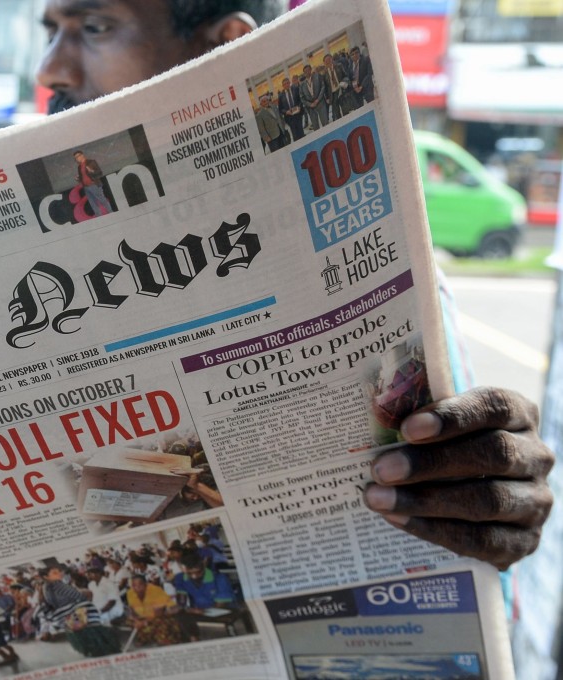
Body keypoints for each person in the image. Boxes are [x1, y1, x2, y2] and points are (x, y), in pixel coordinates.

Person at [36, 0, 554, 572]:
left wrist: (489, 488)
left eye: (93, 27)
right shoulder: (42, 276)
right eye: (50, 31)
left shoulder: (383, 260)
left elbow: (470, 481)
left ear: (224, 45)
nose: (50, 70)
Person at [125, 574, 185, 646]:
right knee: (129, 621)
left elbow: (159, 613)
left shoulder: (156, 590)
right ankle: (144, 637)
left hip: (161, 616)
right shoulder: (130, 593)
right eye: (134, 585)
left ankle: (152, 637)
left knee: (160, 623)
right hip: (144, 617)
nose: (137, 588)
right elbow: (132, 609)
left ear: (145, 584)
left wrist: (144, 622)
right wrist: (136, 620)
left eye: (140, 585)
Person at [73, 150, 112, 216]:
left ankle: (111, 212)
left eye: (77, 156)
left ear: (82, 155)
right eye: (75, 158)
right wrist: (78, 179)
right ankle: (99, 216)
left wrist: (91, 171)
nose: (77, 159)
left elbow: (99, 173)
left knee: (102, 200)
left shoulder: (91, 162)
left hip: (94, 185)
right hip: (86, 187)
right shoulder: (79, 167)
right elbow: (83, 178)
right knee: (92, 203)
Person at [298, 62, 328, 131]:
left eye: (308, 70)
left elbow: (323, 87)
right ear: (304, 73)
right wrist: (310, 104)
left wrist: (318, 99)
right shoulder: (302, 84)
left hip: (320, 103)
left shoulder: (318, 76)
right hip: (311, 107)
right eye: (305, 71)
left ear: (311, 70)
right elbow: (302, 98)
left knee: (325, 124)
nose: (307, 72)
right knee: (316, 127)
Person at [278, 77, 305, 142]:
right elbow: (280, 109)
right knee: (295, 135)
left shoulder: (295, 89)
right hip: (289, 118)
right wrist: (286, 112)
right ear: (283, 86)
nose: (286, 85)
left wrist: (299, 107)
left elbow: (300, 100)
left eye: (287, 83)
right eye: (284, 84)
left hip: (298, 115)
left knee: (301, 132)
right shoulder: (281, 95)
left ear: (289, 83)